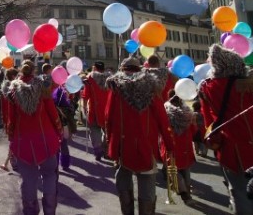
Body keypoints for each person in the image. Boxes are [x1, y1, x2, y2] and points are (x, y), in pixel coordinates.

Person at [105, 56, 175, 215]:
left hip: (123, 145)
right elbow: (162, 119)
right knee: (147, 181)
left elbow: (108, 117)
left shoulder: (116, 88)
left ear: (122, 69)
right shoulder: (151, 87)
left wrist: (111, 144)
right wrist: (170, 145)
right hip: (146, 143)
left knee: (123, 176)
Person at [198, 43, 253, 214]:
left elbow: (208, 120)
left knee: (239, 192)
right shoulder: (247, 84)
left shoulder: (207, 87)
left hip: (231, 148)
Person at [8, 60, 63, 215]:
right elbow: (52, 112)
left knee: (28, 180)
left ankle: (30, 210)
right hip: (45, 140)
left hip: (23, 142)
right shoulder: (42, 87)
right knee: (49, 175)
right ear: (34, 71)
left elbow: (11, 120)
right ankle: (49, 210)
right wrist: (59, 131)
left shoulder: (13, 90)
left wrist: (12, 139)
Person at [160, 90, 197, 206]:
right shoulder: (188, 112)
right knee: (186, 170)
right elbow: (194, 130)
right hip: (185, 145)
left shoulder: (164, 110)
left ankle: (183, 192)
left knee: (173, 169)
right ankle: (187, 193)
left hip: (171, 144)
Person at [81, 61, 111, 161]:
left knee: (94, 131)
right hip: (107, 109)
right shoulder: (110, 79)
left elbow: (86, 95)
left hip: (95, 109)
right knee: (107, 131)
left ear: (95, 68)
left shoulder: (90, 79)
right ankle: (106, 151)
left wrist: (84, 107)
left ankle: (98, 150)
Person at [0, 67, 19, 171]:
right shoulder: (13, 90)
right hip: (13, 119)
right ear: (13, 76)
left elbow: (2, 108)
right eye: (16, 75)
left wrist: (3, 120)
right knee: (14, 142)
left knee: (13, 141)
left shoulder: (4, 90)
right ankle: (12, 161)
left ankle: (11, 161)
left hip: (8, 119)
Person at [52, 81, 73, 171]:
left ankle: (55, 164)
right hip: (64, 126)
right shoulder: (67, 107)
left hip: (55, 127)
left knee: (55, 146)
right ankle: (65, 164)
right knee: (64, 144)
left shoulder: (53, 106)